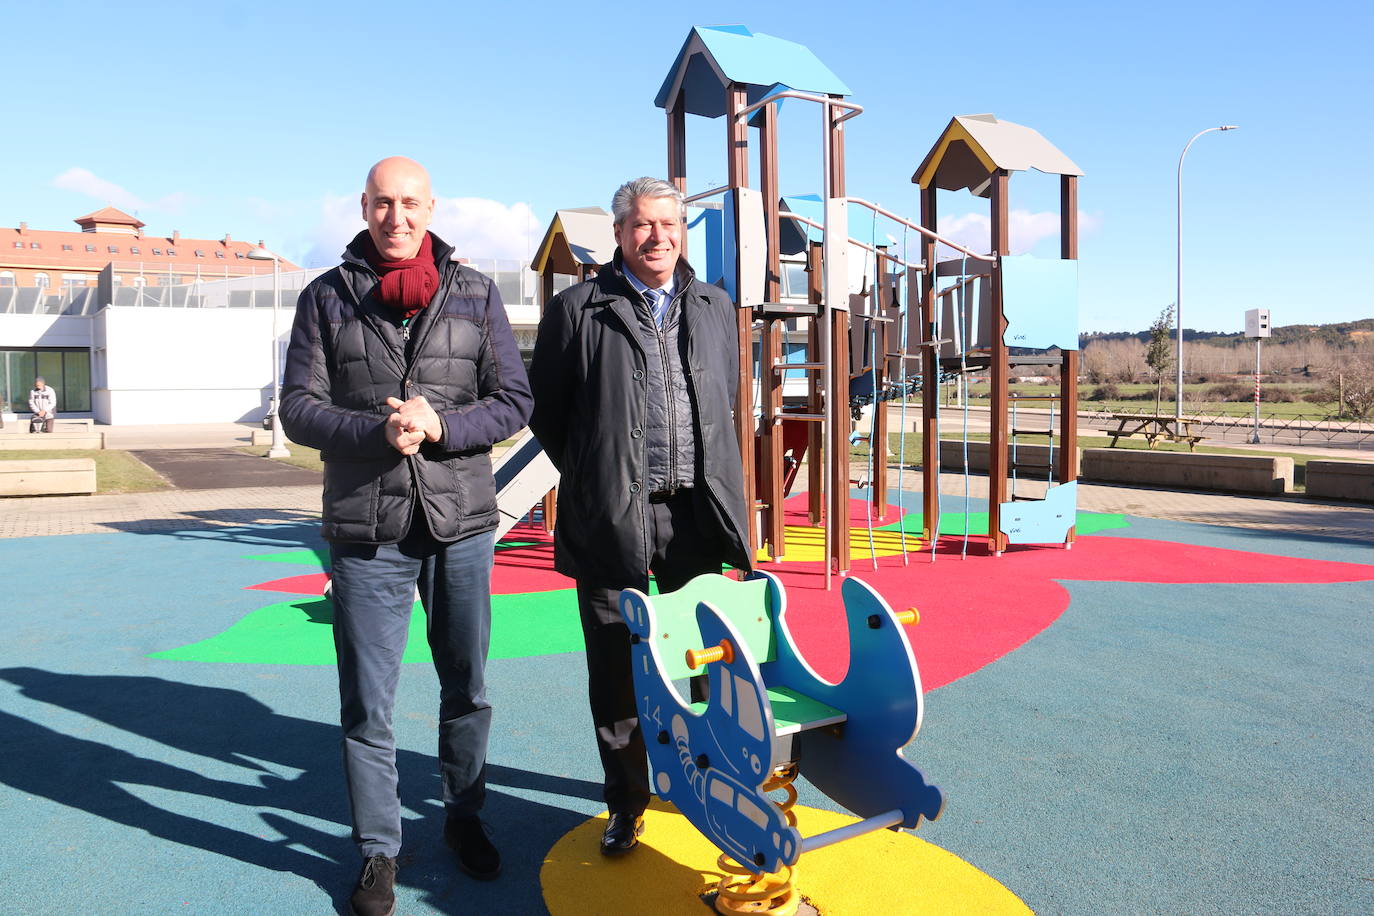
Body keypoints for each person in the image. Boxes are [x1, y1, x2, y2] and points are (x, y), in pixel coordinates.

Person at [279, 156, 532, 916]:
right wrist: (378, 430)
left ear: (431, 207)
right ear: (364, 206)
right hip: (368, 528)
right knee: (368, 704)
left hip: (461, 525)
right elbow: (297, 408)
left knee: (469, 687)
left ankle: (464, 816)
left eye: (410, 203)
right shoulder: (325, 297)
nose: (397, 217)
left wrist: (442, 423)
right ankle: (378, 852)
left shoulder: (475, 292)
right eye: (383, 203)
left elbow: (514, 401)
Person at [528, 177, 752, 856]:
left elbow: (725, 405)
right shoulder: (578, 310)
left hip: (694, 516)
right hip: (609, 520)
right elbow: (549, 412)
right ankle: (627, 800)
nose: (657, 237)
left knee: (704, 660)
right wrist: (600, 471)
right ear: (621, 234)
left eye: (668, 224)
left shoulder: (715, 306)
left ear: (682, 231)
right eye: (642, 226)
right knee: (616, 670)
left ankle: (705, 785)